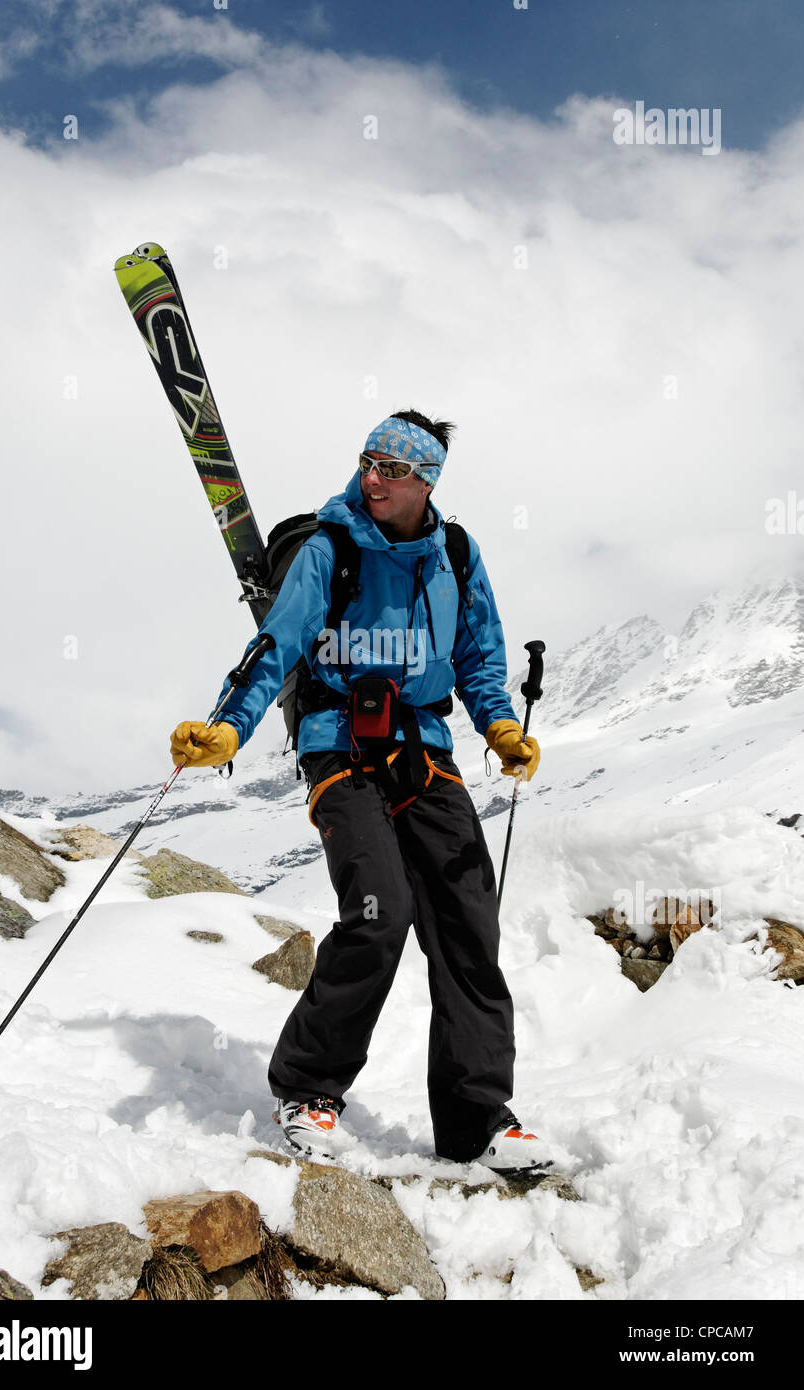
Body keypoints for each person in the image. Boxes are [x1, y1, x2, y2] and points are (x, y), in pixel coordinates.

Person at [170, 410, 545, 1173]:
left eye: (393, 470)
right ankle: (307, 1090)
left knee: (469, 928)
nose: (373, 478)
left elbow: (480, 658)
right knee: (379, 911)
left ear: (426, 482)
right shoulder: (327, 548)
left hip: (426, 750)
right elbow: (275, 645)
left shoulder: (457, 554)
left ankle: (475, 1120)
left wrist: (500, 727)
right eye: (368, 461)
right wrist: (230, 727)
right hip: (338, 745)